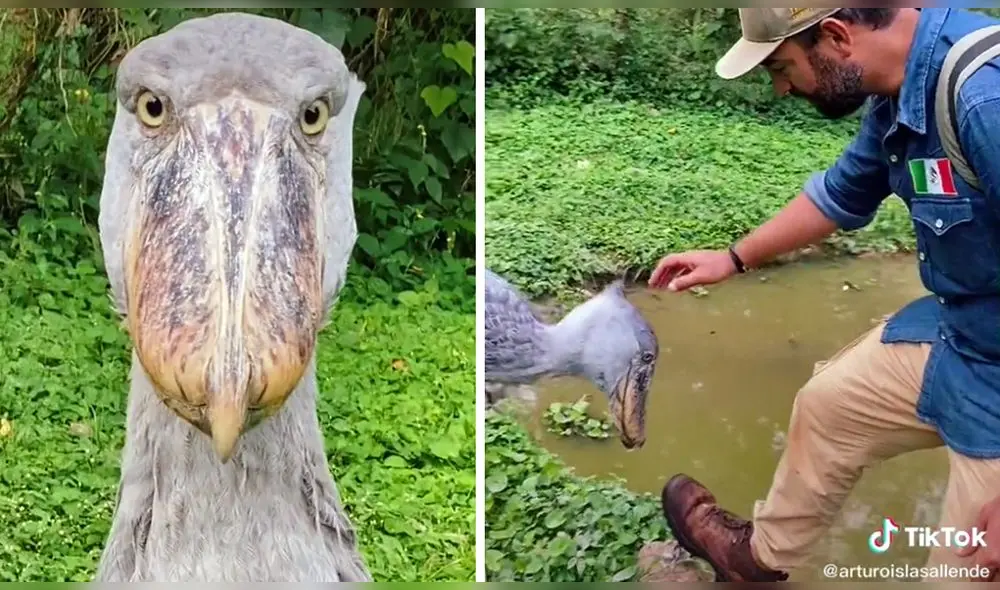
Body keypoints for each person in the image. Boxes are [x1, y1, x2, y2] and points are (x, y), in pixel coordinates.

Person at [648, 7, 1000, 582]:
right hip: (966, 339)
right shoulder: (897, 94)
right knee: (829, 407)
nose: (783, 88)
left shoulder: (984, 97)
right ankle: (759, 560)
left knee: (963, 571)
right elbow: (840, 194)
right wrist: (733, 258)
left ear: (836, 37)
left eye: (783, 67)